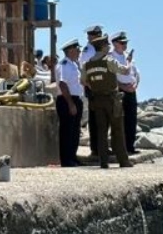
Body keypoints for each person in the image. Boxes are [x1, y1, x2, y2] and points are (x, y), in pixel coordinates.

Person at [82, 34, 134, 169]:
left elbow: (83, 81)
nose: (108, 47)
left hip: (97, 99)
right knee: (117, 130)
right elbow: (125, 71)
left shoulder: (87, 65)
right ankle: (123, 161)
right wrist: (128, 61)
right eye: (107, 45)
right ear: (104, 47)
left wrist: (95, 86)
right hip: (112, 99)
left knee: (101, 131)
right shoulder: (109, 61)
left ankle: (103, 161)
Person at [54, 39, 84, 167]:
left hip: (76, 98)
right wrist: (71, 104)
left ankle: (73, 157)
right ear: (70, 50)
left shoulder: (74, 64)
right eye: (77, 49)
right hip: (67, 99)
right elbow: (62, 84)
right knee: (67, 131)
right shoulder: (64, 64)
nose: (79, 52)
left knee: (75, 131)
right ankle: (66, 159)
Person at [110, 31, 140, 154]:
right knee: (118, 120)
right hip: (119, 91)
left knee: (131, 120)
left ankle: (130, 146)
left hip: (131, 90)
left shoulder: (128, 57)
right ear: (115, 43)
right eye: (122, 43)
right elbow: (111, 77)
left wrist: (135, 85)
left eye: (125, 42)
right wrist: (122, 86)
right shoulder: (111, 57)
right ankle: (118, 147)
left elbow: (136, 73)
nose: (125, 45)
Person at [79, 25, 104, 154]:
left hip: (103, 86)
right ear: (90, 36)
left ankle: (103, 146)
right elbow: (85, 68)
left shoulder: (101, 48)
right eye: (95, 35)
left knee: (104, 118)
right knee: (95, 119)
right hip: (92, 86)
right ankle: (96, 148)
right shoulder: (88, 50)